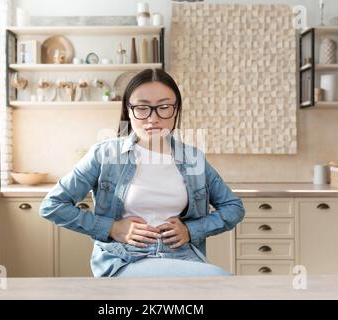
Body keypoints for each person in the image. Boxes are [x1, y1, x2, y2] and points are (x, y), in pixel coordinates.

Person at [39, 69, 245, 278]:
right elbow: (52, 205)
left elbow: (233, 208)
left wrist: (191, 230)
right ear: (128, 111)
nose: (153, 118)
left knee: (220, 286)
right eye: (142, 108)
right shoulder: (105, 155)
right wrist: (112, 228)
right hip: (125, 260)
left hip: (183, 258)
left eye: (164, 107)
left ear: (176, 110)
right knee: (221, 281)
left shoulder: (193, 159)